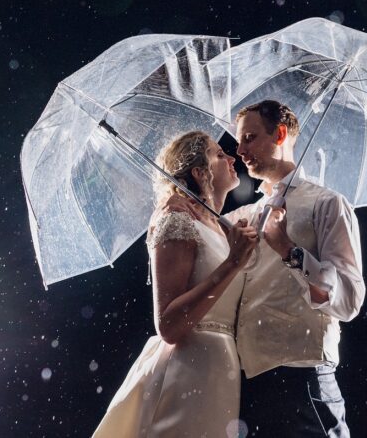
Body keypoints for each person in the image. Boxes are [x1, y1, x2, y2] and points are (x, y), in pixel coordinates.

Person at [93, 131, 258, 438]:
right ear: (199, 172)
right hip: (190, 367)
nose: (231, 158)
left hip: (221, 369)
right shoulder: (176, 218)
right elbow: (168, 325)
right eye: (218, 155)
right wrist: (233, 263)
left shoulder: (220, 226)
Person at [232, 100, 367, 436]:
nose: (239, 150)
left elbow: (348, 299)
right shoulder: (248, 214)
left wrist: (286, 248)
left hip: (301, 378)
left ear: (279, 134)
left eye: (249, 138)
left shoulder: (327, 204)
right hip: (249, 385)